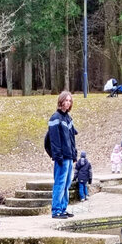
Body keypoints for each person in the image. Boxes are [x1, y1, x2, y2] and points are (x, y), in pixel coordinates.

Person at [44, 90, 78, 219]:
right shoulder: (55, 118)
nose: (68, 103)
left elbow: (72, 139)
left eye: (70, 101)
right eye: (66, 100)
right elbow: (54, 140)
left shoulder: (68, 118)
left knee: (67, 183)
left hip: (69, 156)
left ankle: (63, 208)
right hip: (61, 157)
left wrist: (74, 154)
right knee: (60, 182)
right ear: (61, 101)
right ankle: (56, 210)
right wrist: (57, 156)